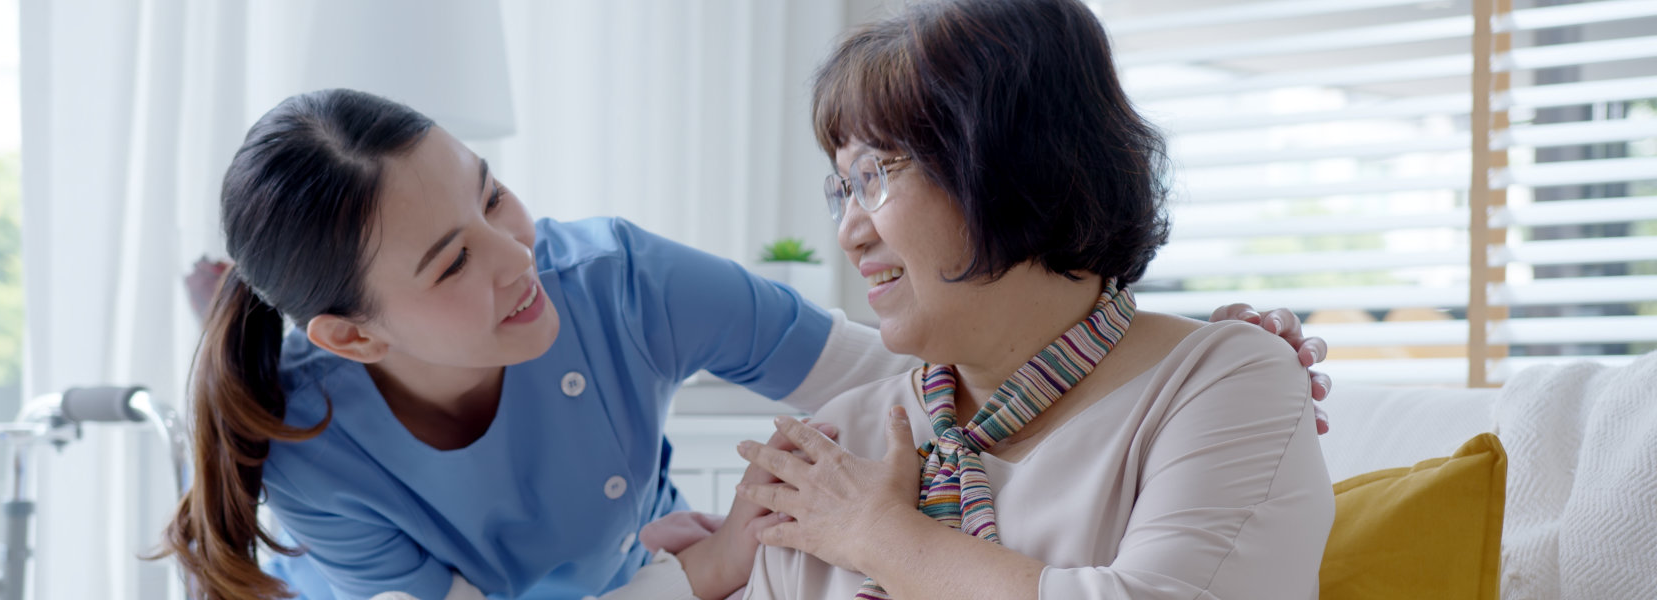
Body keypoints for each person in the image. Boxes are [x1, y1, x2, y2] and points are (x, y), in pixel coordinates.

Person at [156, 88, 1333, 600]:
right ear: (351, 336)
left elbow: (909, 369)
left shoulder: (613, 280)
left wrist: (1146, 350)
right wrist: (707, 569)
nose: (517, 256)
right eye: (453, 262)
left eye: (494, 196)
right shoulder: (313, 451)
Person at [733, 1, 1335, 598]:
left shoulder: (1220, 380)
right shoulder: (839, 440)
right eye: (843, 189)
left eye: (874, 176)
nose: (849, 232)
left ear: (1014, 166)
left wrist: (882, 538)